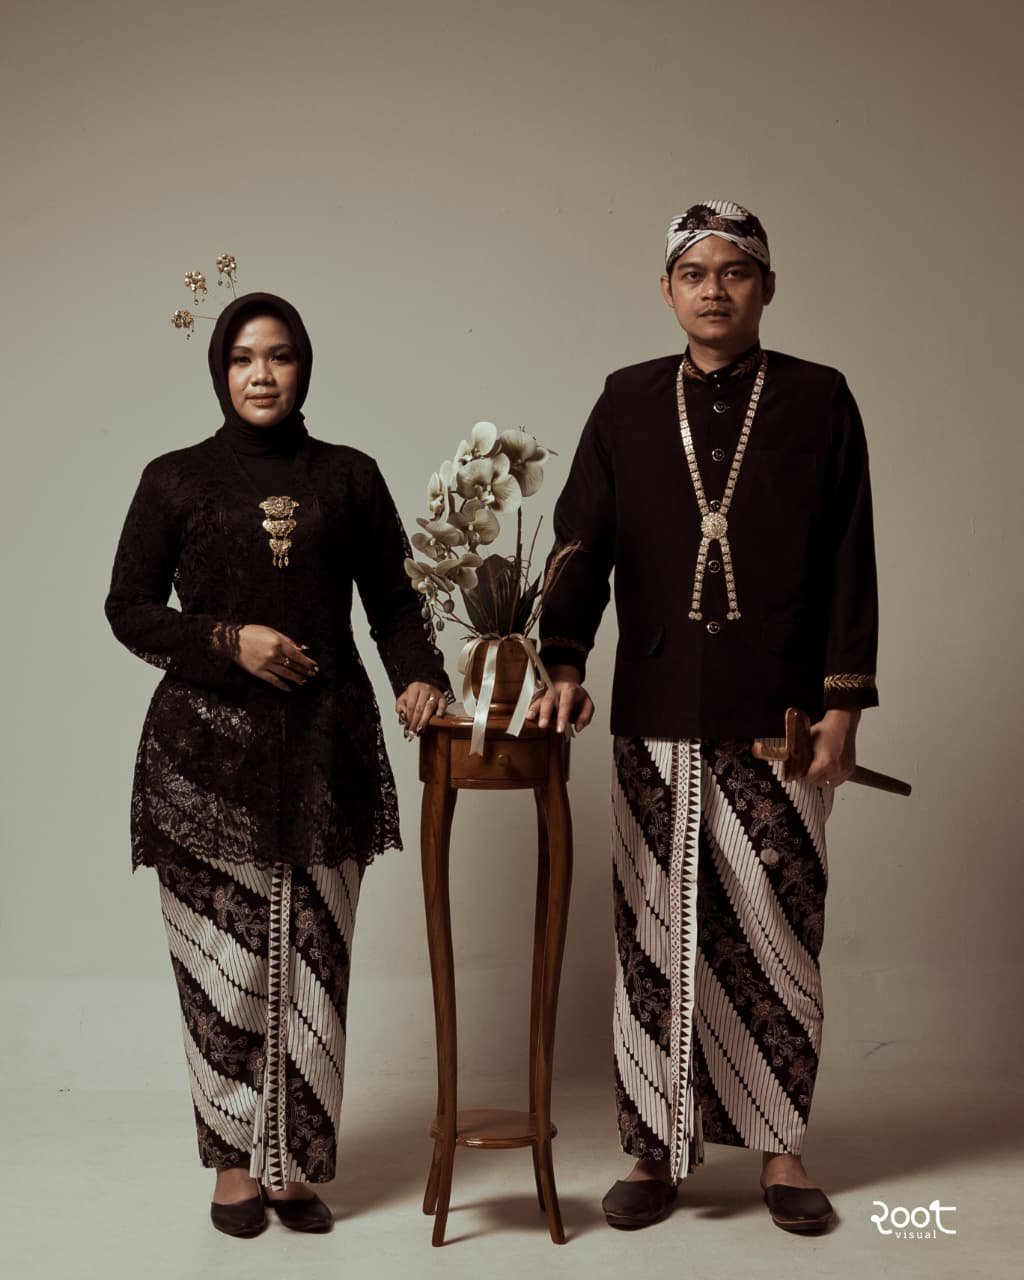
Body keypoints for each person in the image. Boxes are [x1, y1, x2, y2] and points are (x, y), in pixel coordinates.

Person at [530, 200, 878, 1234]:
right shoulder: (627, 401)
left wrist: (843, 705)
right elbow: (580, 543)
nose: (714, 289)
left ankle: (781, 1150)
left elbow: (849, 557)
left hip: (781, 715)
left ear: (767, 286)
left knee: (778, 928)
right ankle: (651, 1149)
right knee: (654, 930)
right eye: (694, 273)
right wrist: (561, 659)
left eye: (735, 271)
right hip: (655, 709)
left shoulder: (818, 399)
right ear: (667, 290)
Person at [105, 291, 450, 1237]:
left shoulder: (350, 477)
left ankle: (292, 1164)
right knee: (221, 969)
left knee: (313, 961)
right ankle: (232, 1166)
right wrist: (228, 639)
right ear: (220, 370)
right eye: (243, 358)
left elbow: (395, 603)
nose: (261, 374)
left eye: (280, 355)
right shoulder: (174, 479)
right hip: (202, 762)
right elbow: (129, 608)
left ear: (305, 367)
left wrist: (420, 679)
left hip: (325, 755)